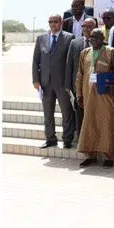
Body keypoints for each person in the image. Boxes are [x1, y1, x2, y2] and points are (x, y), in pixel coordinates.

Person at [75, 28, 114, 168]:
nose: (92, 39)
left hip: (105, 95)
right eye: (91, 37)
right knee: (90, 123)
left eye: (95, 37)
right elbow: (80, 75)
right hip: (88, 94)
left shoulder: (111, 52)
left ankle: (108, 157)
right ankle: (90, 155)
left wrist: (113, 85)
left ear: (102, 38)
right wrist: (79, 94)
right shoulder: (84, 53)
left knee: (106, 123)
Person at [32, 14, 76, 148]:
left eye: (55, 21)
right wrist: (35, 80)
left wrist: (69, 83)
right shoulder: (41, 38)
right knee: (47, 113)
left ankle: (67, 139)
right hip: (45, 83)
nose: (53, 24)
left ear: (61, 22)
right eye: (50, 21)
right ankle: (50, 138)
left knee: (66, 112)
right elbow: (36, 61)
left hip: (63, 83)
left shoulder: (69, 38)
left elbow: (71, 63)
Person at [65, 17, 98, 137]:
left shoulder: (102, 44)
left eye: (89, 26)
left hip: (95, 86)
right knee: (80, 114)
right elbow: (69, 65)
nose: (86, 29)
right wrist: (68, 85)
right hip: (78, 87)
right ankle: (81, 139)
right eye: (83, 26)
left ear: (95, 28)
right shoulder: (75, 43)